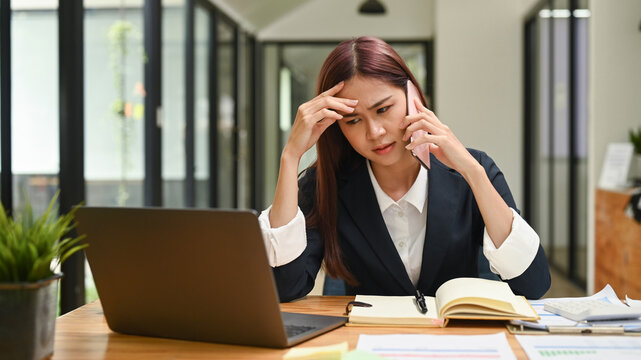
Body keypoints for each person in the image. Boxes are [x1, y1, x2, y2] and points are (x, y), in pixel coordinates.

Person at [258, 36, 550, 302]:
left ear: (414, 98)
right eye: (354, 121)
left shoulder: (473, 170)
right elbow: (285, 288)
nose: (374, 132)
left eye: (383, 109)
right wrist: (290, 156)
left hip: (456, 343)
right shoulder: (327, 184)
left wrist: (473, 174)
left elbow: (534, 285)